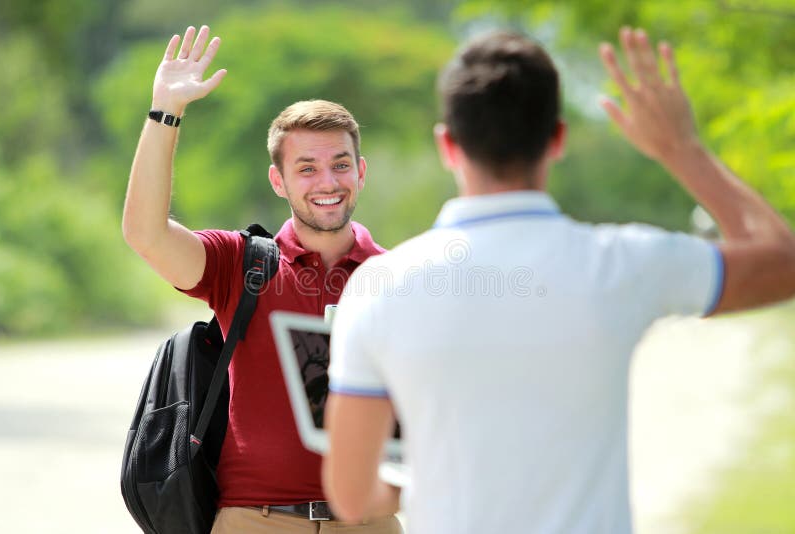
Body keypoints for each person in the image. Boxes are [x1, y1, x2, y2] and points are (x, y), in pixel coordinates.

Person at [322, 27, 795, 533]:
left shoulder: (378, 287)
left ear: (448, 145)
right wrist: (681, 149)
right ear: (558, 138)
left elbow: (350, 497)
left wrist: (424, 478)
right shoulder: (622, 263)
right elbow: (782, 263)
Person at [122, 25, 402, 533]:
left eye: (340, 165)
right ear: (279, 181)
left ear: (361, 172)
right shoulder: (242, 264)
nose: (328, 183)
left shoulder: (400, 275)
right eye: (307, 168)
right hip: (257, 520)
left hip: (370, 522)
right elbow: (145, 233)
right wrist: (166, 112)